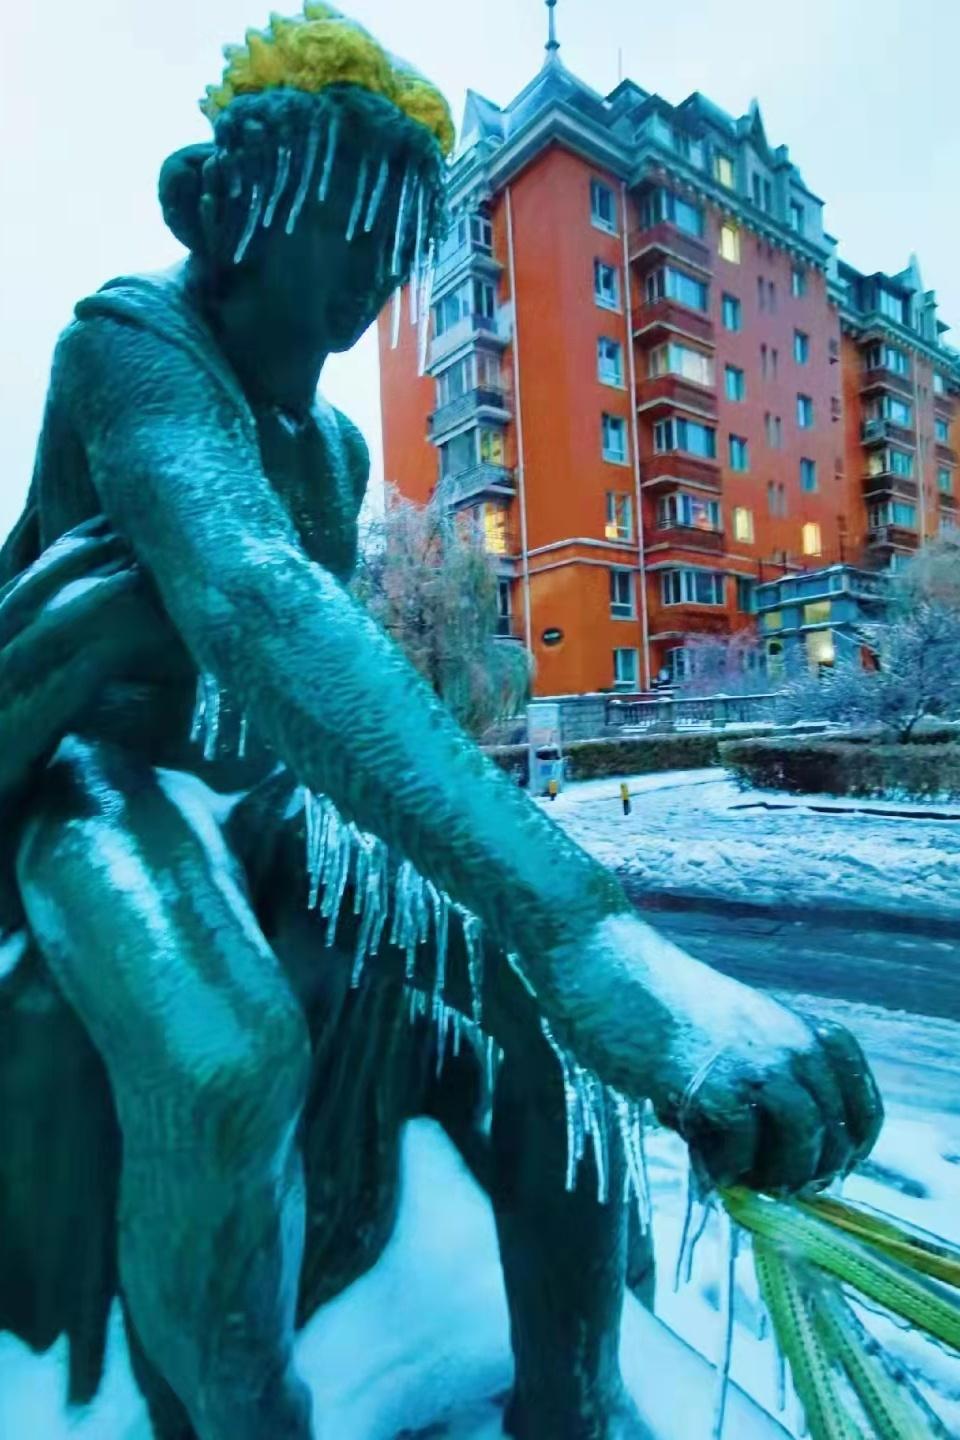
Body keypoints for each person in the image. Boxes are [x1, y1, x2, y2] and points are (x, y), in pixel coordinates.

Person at [0, 7, 882, 1438]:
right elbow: (257, 604)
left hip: (258, 792)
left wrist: (559, 959)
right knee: (219, 1054)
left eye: (389, 244)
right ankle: (244, 1415)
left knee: (529, 1014)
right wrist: (578, 919)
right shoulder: (129, 345)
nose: (364, 281)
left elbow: (318, 692)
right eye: (341, 226)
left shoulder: (337, 446)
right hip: (103, 787)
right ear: (233, 209)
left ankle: (573, 1394)